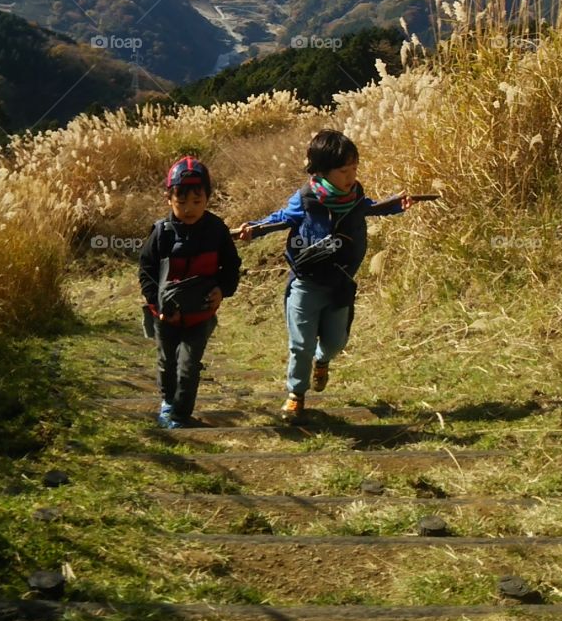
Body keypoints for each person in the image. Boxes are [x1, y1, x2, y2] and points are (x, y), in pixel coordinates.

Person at [236, 129, 413, 422]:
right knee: (300, 343)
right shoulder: (306, 199)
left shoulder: (355, 198)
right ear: (322, 171)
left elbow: (371, 209)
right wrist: (254, 228)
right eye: (344, 170)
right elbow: (282, 219)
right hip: (306, 283)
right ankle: (296, 394)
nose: (351, 176)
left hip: (340, 283)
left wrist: (396, 204)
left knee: (334, 343)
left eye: (355, 168)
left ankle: (323, 360)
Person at [139, 156, 241, 428]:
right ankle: (167, 402)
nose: (189, 209)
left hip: (200, 314)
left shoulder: (216, 230)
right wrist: (157, 306)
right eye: (181, 202)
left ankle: (180, 415)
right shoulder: (161, 233)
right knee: (167, 363)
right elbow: (146, 269)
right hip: (165, 316)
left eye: (197, 201)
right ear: (168, 199)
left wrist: (223, 289)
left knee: (188, 366)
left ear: (208, 197)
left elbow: (231, 265)